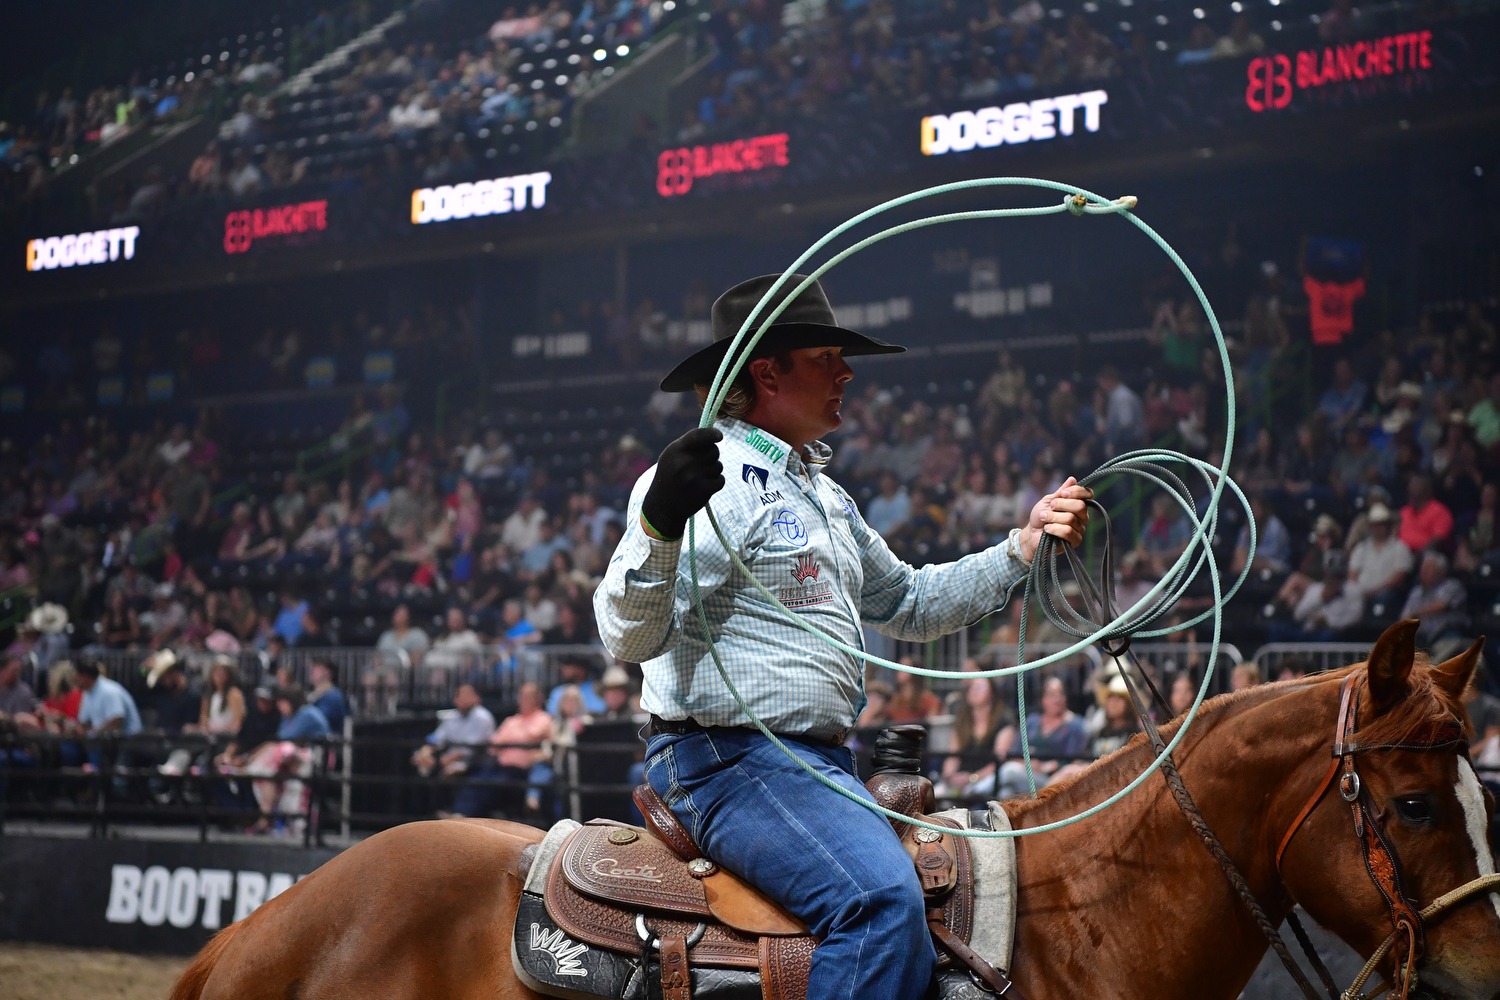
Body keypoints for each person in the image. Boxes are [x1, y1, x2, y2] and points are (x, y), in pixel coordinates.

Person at [594, 273, 1092, 1000]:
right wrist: (660, 525)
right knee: (880, 904)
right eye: (827, 357)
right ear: (767, 372)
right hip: (727, 759)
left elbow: (913, 602)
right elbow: (627, 637)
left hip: (803, 762)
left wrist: (1020, 547)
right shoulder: (714, 479)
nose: (846, 373)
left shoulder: (824, 495)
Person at [446, 681, 552, 820]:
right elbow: (495, 742)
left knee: (494, 783)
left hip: (521, 770)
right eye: (521, 696)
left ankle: (467, 817)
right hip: (500, 765)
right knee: (477, 778)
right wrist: (516, 738)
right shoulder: (511, 720)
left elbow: (529, 736)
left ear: (538, 699)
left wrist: (511, 739)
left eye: (527, 696)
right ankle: (459, 813)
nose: (523, 700)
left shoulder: (543, 719)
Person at [996, 676, 1089, 798]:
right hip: (1026, 772)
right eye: (1051, 694)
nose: (1057, 699)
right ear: (1043, 699)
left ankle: (973, 789)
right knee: (1006, 791)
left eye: (1060, 694)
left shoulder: (1075, 725)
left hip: (1055, 780)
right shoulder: (1031, 722)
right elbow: (1014, 753)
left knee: (1008, 771)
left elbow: (1072, 761)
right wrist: (1029, 764)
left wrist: (1043, 767)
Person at [412, 683, 496, 779]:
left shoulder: (482, 717)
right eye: (459, 694)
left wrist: (440, 762)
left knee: (449, 772)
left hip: (475, 763)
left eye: (467, 694)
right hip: (447, 759)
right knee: (418, 760)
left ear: (477, 697)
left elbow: (470, 749)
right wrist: (425, 751)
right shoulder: (453, 716)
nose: (461, 698)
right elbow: (437, 737)